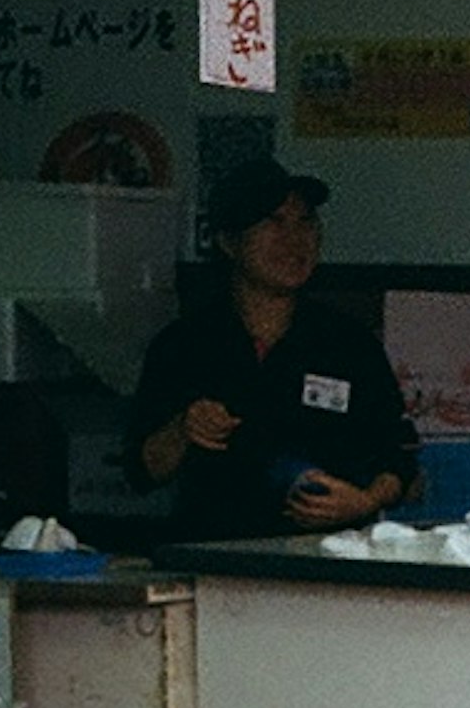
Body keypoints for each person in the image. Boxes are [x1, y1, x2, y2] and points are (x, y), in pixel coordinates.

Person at [130, 159, 412, 540]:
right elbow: (142, 470)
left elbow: (398, 453)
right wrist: (184, 428)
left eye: (306, 222)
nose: (294, 240)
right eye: (274, 223)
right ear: (229, 241)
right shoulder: (185, 343)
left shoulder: (347, 341)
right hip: (216, 557)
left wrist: (365, 501)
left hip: (331, 559)